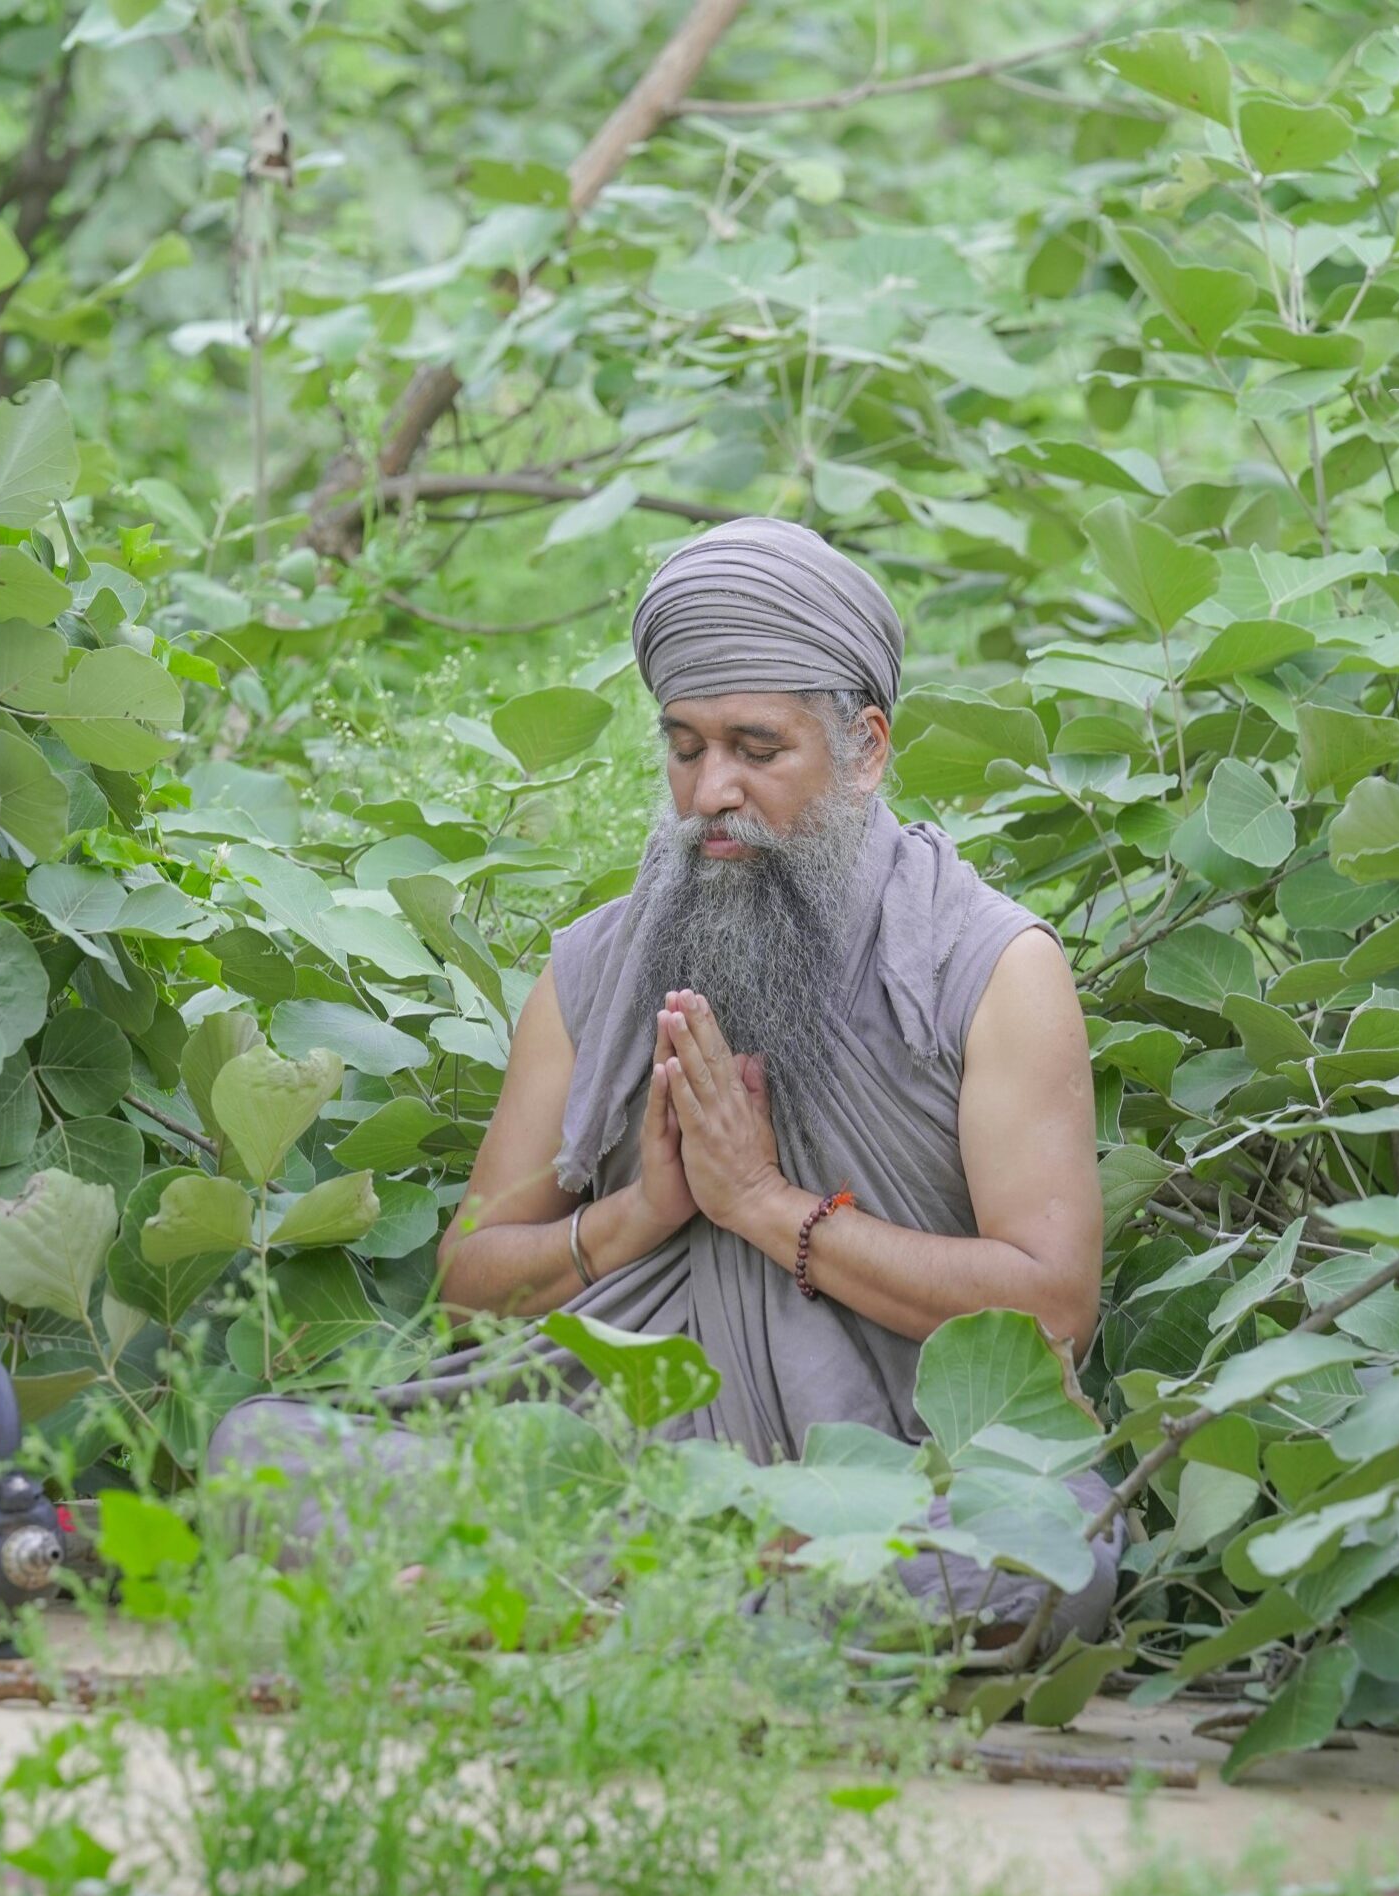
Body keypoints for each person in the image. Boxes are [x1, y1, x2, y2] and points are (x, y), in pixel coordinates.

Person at [209, 517, 1125, 1649]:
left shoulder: (987, 966)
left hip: (893, 1483)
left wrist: (764, 1208)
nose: (709, 791)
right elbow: (469, 1281)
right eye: (685, 747)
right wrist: (644, 1213)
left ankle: (579, 1602)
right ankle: (688, 1600)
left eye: (756, 747)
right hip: (605, 1465)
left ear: (868, 746)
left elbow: (1047, 1314)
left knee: (1050, 1565)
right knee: (259, 1459)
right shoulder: (597, 964)